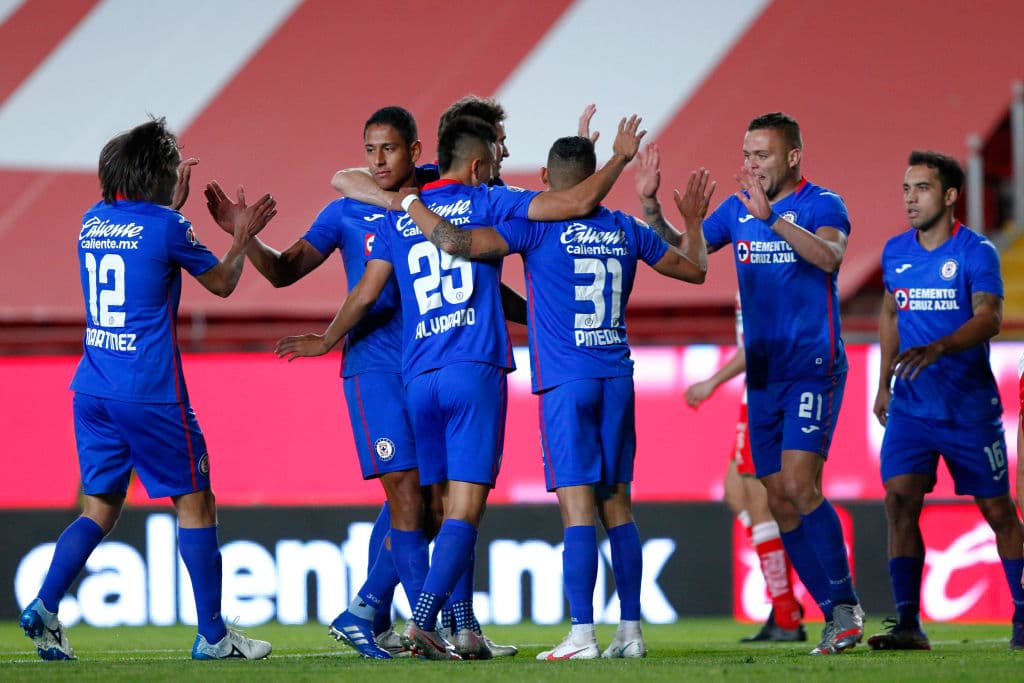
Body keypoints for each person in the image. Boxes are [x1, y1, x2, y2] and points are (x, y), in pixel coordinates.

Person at [275, 113, 646, 660]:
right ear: (478, 164)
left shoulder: (405, 215)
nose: (498, 166)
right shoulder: (488, 200)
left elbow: (367, 289)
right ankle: (423, 620)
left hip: (418, 375)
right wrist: (616, 158)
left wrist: (329, 339)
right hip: (473, 370)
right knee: (462, 511)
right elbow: (570, 206)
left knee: (431, 506)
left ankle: (455, 624)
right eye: (494, 158)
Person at [395, 137, 710, 660]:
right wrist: (692, 222)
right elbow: (695, 269)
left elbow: (456, 243)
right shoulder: (627, 228)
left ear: (546, 177)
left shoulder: (537, 227)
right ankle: (629, 634)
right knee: (620, 508)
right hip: (616, 375)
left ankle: (582, 635)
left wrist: (410, 203)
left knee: (577, 511)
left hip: (566, 382)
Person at [19, 117, 277, 661]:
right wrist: (240, 235)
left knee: (99, 509)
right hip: (150, 390)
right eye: (172, 164)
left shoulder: (92, 221)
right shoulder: (166, 227)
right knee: (197, 501)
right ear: (156, 171)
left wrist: (170, 210)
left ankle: (44, 605)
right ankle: (213, 635)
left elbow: (140, 243)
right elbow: (223, 283)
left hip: (93, 388)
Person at [205, 106, 430, 659]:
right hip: (373, 367)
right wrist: (245, 239)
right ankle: (429, 624)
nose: (377, 161)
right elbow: (284, 270)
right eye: (370, 149)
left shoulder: (431, 199)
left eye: (390, 150)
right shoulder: (345, 212)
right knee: (404, 491)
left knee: (429, 497)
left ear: (415, 153)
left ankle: (367, 610)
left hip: (429, 363)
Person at [700, 112, 862, 655]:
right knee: (776, 498)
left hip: (812, 366)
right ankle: (834, 614)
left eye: (761, 155)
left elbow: (830, 257)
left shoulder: (822, 204)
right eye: (746, 155)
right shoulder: (736, 209)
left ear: (792, 157)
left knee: (798, 485)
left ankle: (844, 607)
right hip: (764, 375)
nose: (750, 165)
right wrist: (655, 210)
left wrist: (773, 221)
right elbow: (686, 254)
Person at [867, 150, 1024, 651]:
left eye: (922, 188)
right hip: (912, 407)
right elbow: (891, 313)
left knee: (998, 512)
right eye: (906, 189)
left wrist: (938, 346)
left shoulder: (977, 252)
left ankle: (1023, 617)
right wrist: (883, 381)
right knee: (899, 500)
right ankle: (909, 623)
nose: (910, 198)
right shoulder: (895, 252)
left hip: (967, 408)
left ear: (951, 195)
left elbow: (991, 318)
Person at [685, 294, 806, 642]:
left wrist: (712, 381)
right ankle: (784, 603)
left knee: (761, 504)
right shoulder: (745, 274)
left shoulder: (764, 266)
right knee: (735, 493)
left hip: (771, 392)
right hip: (754, 393)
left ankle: (786, 613)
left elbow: (759, 346)